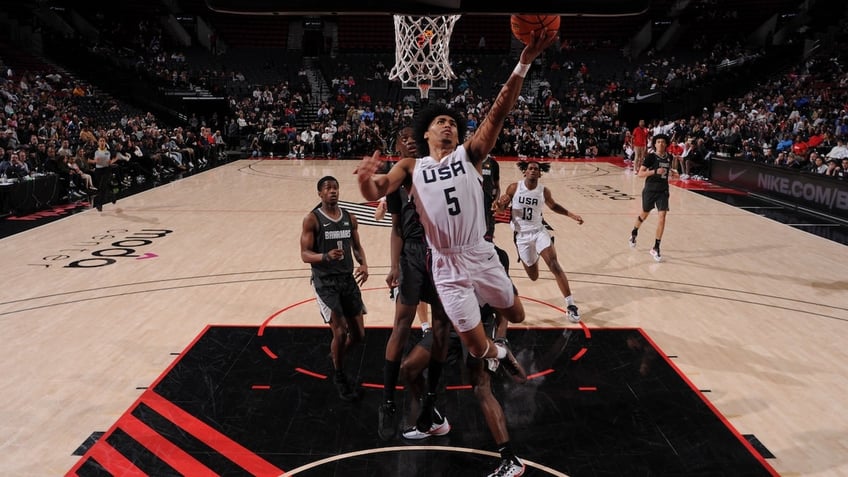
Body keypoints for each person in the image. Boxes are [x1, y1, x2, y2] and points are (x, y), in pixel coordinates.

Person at [358, 29, 557, 477]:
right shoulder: (411, 165)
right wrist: (365, 182)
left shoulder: (470, 156)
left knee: (520, 315)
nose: (448, 123)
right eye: (439, 121)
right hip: (444, 264)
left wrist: (523, 63)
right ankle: (495, 356)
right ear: (424, 132)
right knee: (472, 345)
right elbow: (380, 188)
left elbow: (499, 111)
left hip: (481, 254)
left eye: (452, 120)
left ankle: (499, 349)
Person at [378, 126, 446, 440]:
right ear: (397, 147)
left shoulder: (435, 169)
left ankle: (431, 399)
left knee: (445, 326)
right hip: (412, 255)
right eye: (400, 137)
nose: (407, 140)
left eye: (411, 136)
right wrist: (394, 265)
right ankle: (388, 401)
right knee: (400, 325)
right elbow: (395, 228)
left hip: (441, 253)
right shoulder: (395, 184)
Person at [299, 176, 369, 401]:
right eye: (328, 188)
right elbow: (304, 254)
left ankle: (336, 355)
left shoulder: (349, 217)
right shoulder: (312, 219)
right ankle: (339, 375)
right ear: (319, 194)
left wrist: (363, 263)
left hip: (347, 279)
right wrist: (325, 256)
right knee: (339, 332)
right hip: (325, 283)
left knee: (358, 335)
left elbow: (356, 246)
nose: (333, 191)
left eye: (335, 188)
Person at [494, 160, 584, 322]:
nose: (533, 170)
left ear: (540, 174)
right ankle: (535, 255)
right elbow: (502, 209)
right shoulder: (514, 188)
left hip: (539, 232)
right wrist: (499, 205)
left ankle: (571, 305)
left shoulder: (544, 191)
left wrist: (571, 215)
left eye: (536, 169)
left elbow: (554, 206)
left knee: (554, 265)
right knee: (533, 276)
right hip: (521, 236)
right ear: (525, 172)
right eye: (530, 168)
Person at [628, 133, 679, 262]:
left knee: (662, 218)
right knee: (644, 215)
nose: (660, 144)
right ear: (655, 144)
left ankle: (656, 247)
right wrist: (655, 171)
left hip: (663, 191)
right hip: (650, 190)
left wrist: (672, 173)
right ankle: (634, 232)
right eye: (658, 142)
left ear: (666, 144)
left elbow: (667, 171)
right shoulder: (651, 157)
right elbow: (640, 174)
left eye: (663, 142)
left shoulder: (669, 157)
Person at [89, 137, 118, 212]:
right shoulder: (95, 150)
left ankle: (99, 205)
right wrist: (94, 161)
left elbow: (116, 157)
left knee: (102, 186)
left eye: (103, 141)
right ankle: (112, 196)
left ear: (105, 142)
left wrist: (111, 161)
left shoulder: (109, 150)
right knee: (102, 187)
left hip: (106, 169)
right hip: (98, 170)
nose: (102, 142)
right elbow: (89, 160)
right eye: (100, 141)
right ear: (98, 142)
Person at [481, 154, 500, 242]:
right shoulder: (468, 161)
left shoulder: (493, 163)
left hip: (488, 204)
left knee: (488, 238)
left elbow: (497, 187)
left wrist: (496, 200)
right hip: (471, 204)